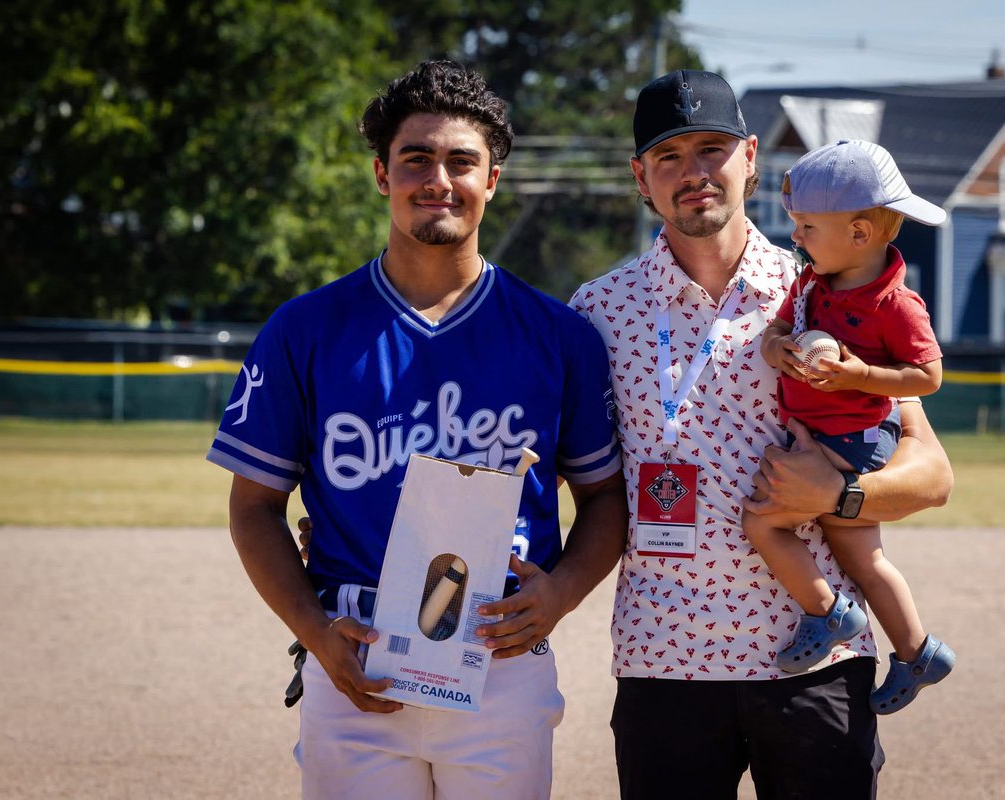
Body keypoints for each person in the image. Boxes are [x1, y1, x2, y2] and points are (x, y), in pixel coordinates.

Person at [207, 60, 627, 800]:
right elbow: (252, 506)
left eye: (462, 161)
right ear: (381, 175)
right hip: (356, 653)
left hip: (500, 657)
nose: (439, 178)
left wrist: (559, 594)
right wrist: (313, 633)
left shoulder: (561, 335)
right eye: (416, 159)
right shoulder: (304, 329)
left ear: (491, 180)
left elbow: (606, 499)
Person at [569, 69, 953, 799]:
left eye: (711, 148)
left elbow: (933, 475)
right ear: (639, 177)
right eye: (669, 156)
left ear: (751, 156)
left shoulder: (823, 288)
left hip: (814, 664)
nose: (694, 173)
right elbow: (561, 476)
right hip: (664, 661)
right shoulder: (595, 310)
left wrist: (842, 494)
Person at [740, 139, 956, 713]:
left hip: (853, 440)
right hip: (822, 431)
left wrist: (860, 374)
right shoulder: (812, 281)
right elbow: (777, 331)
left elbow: (927, 377)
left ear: (859, 234)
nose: (797, 238)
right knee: (864, 556)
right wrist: (780, 350)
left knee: (764, 522)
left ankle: (828, 613)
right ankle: (917, 651)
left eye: (808, 227)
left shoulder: (897, 304)